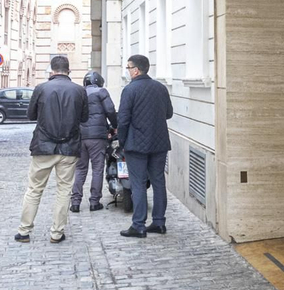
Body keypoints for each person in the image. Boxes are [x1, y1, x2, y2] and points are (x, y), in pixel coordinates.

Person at [14, 55, 88, 245]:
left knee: (34, 189)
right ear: (68, 70)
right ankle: (56, 232)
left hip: (43, 147)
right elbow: (84, 118)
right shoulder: (79, 90)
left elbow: (30, 115)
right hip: (69, 147)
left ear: (52, 70)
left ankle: (24, 230)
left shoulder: (41, 88)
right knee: (64, 191)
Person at [117, 54, 173, 239]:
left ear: (136, 70)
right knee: (158, 182)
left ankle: (138, 225)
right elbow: (169, 113)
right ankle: (159, 222)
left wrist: (122, 142)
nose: (128, 70)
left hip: (136, 144)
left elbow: (123, 120)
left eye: (128, 67)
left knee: (138, 184)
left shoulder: (129, 90)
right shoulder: (160, 88)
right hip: (159, 142)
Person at [71, 70, 117, 213]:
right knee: (97, 169)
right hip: (97, 137)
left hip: (80, 137)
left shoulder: (78, 93)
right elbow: (110, 110)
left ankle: (75, 202)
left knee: (80, 169)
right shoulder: (101, 92)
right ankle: (94, 202)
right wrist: (115, 126)